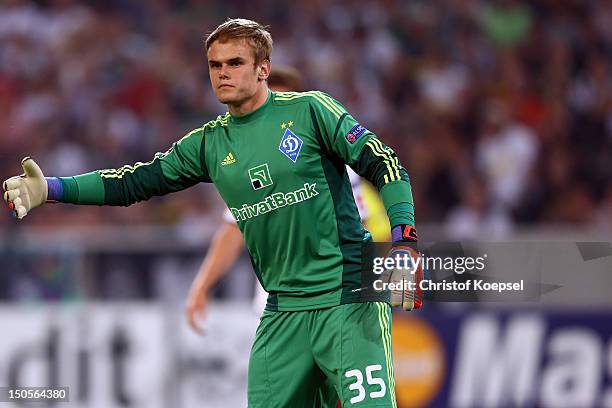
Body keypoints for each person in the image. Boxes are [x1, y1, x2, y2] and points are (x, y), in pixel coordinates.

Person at [3, 18, 421, 407]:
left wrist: (404, 240)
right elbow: (133, 182)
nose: (223, 72)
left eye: (235, 63)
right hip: (282, 312)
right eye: (215, 65)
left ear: (263, 69)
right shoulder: (209, 144)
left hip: (346, 299)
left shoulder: (311, 111)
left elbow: (386, 165)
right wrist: (53, 189)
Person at [185, 66, 390, 332]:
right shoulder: (247, 170)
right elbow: (233, 231)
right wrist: (201, 286)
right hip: (276, 307)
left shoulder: (332, 161)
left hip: (332, 301)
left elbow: (358, 231)